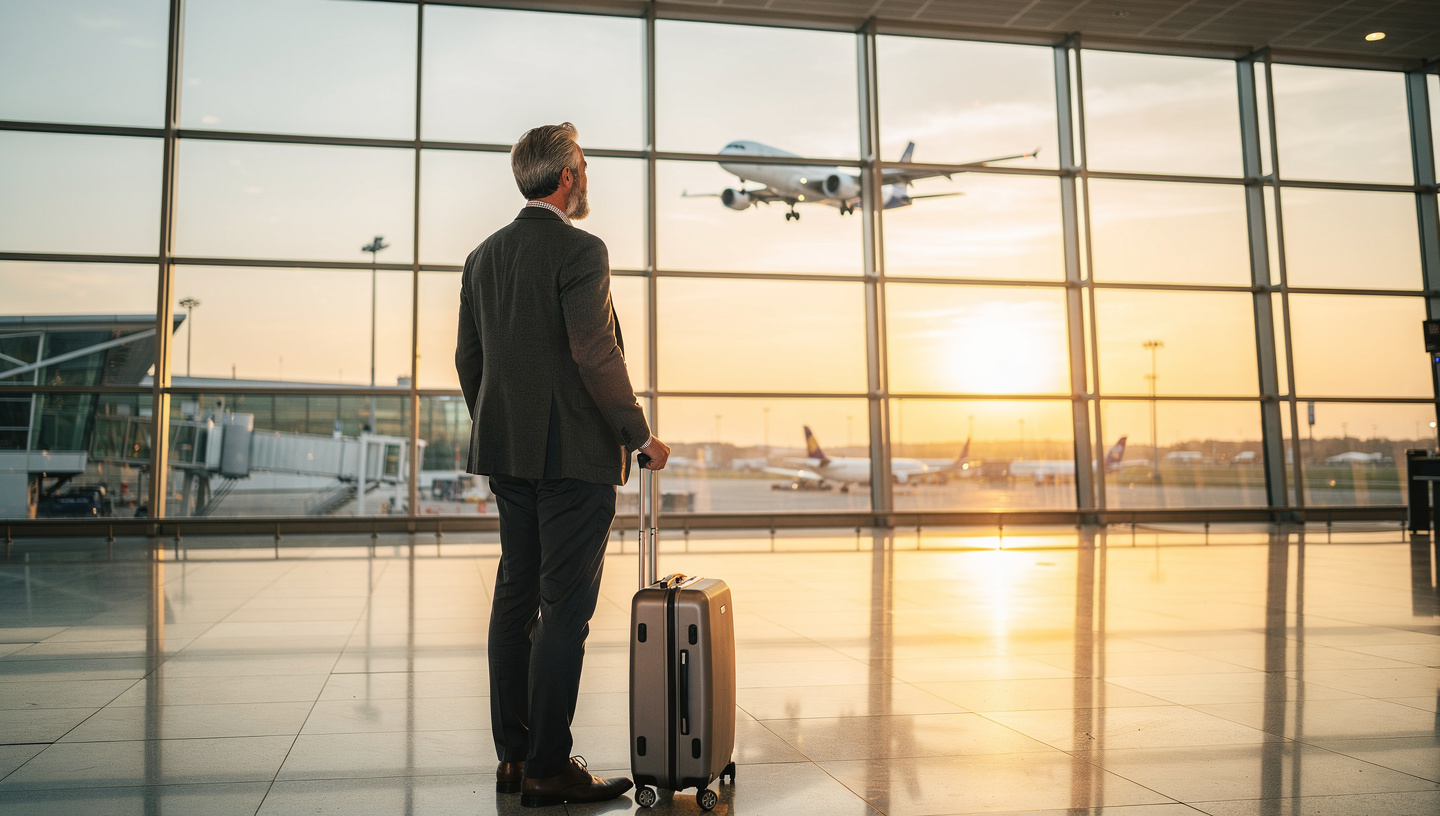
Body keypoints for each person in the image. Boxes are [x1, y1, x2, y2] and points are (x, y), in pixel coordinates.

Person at [455, 122, 671, 808]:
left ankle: (515, 758)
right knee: (564, 610)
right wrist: (639, 434)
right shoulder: (582, 250)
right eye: (584, 165)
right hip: (574, 458)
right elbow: (594, 351)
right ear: (568, 176)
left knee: (515, 598)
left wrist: (503, 426)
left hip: (508, 454)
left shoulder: (483, 256)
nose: (587, 176)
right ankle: (550, 767)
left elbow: (471, 362)